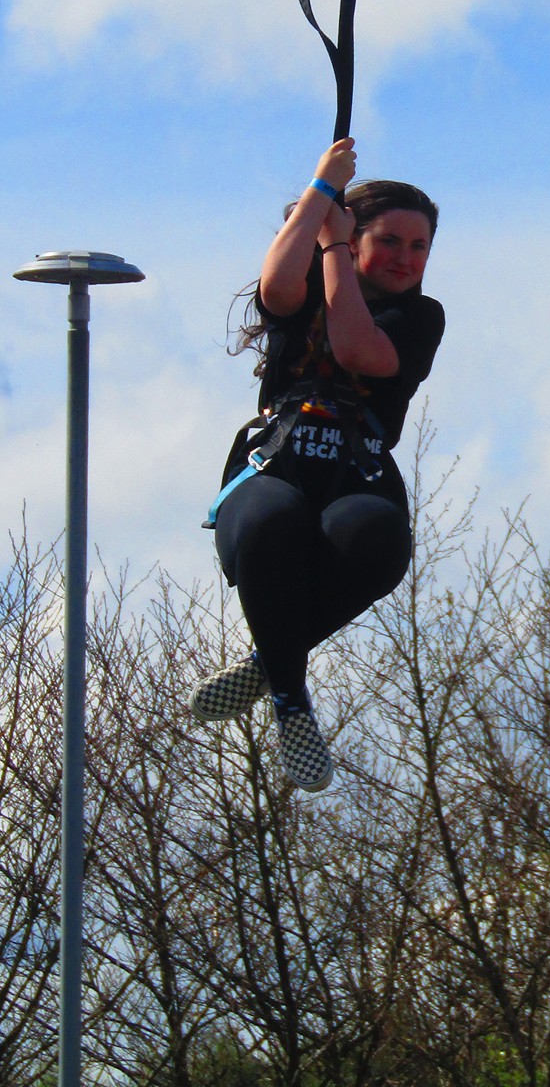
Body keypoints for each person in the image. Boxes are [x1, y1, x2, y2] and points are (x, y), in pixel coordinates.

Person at [191, 137, 443, 791]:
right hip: (275, 464)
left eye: (419, 248)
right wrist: (320, 191)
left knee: (376, 540)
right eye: (389, 241)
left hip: (354, 471)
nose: (405, 259)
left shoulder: (419, 318)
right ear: (357, 237)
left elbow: (358, 348)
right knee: (273, 524)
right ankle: (289, 697)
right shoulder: (304, 279)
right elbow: (276, 288)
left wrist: (335, 247)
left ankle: (274, 658)